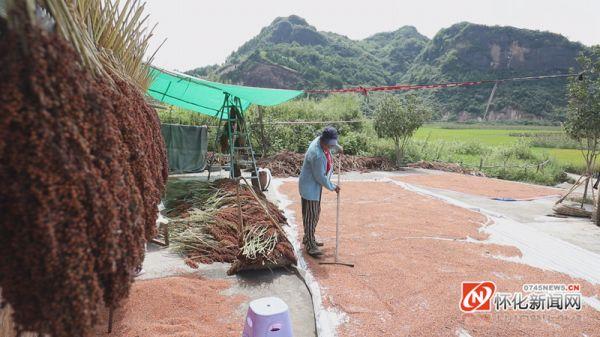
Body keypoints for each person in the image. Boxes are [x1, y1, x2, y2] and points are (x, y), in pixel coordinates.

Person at [299, 127, 341, 257]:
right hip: (310, 187)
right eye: (330, 146)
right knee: (311, 216)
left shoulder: (320, 140)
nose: (331, 148)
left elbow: (332, 144)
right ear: (324, 141)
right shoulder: (316, 155)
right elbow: (320, 177)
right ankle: (310, 245)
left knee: (314, 213)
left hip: (314, 186)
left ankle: (308, 237)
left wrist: (338, 148)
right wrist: (333, 187)